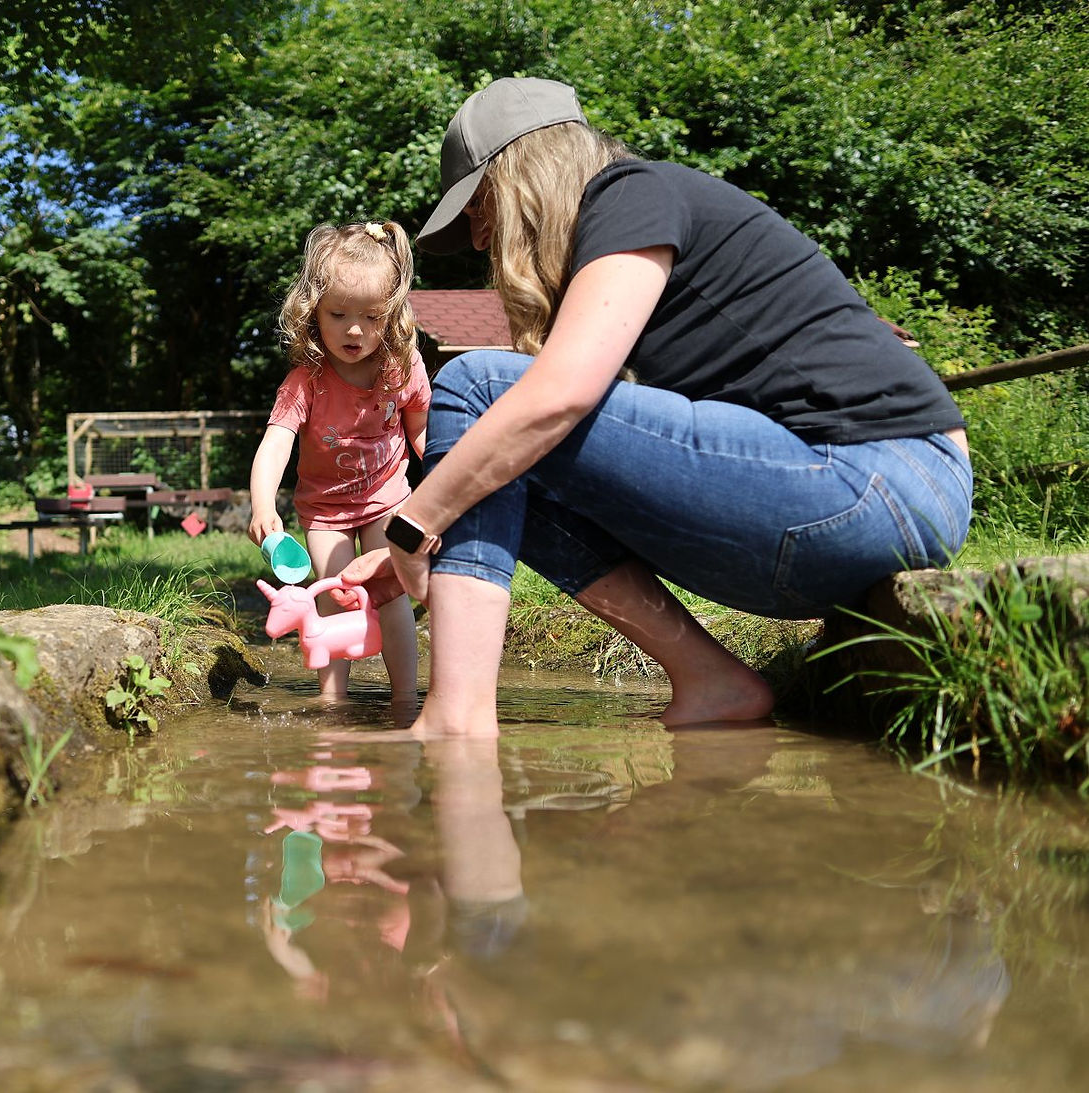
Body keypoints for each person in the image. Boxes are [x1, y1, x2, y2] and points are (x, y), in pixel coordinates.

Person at [338, 77, 972, 731]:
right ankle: (710, 681)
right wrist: (435, 532)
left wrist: (413, 524)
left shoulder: (629, 191)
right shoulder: (622, 236)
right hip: (856, 505)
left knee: (479, 388)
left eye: (477, 206)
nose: (478, 240)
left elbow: (559, 395)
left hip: (879, 479)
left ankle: (455, 723)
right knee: (504, 460)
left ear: (523, 172)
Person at [249, 220, 431, 705]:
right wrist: (263, 505)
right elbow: (276, 444)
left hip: (388, 499)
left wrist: (447, 483)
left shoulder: (402, 367)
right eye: (338, 314)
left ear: (391, 315)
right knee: (330, 598)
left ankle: (405, 698)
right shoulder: (307, 380)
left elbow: (422, 433)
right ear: (312, 312)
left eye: (371, 317)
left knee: (392, 596)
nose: (354, 329)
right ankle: (333, 702)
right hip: (326, 511)